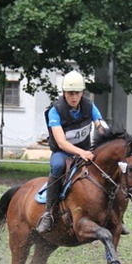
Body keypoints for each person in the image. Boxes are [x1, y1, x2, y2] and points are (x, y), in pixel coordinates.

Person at [36, 70, 108, 233]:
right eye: (70, 93)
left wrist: (107, 134)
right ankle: (48, 213)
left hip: (85, 150)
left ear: (82, 92)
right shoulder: (55, 111)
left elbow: (99, 123)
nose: (74, 97)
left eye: (77, 93)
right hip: (64, 153)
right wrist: (81, 153)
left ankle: (112, 213)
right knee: (57, 166)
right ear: (64, 93)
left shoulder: (89, 105)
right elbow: (61, 142)